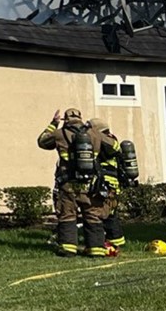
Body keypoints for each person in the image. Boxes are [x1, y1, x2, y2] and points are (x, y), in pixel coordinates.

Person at [37, 108, 119, 257]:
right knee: (93, 215)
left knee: (67, 215)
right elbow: (114, 147)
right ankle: (96, 250)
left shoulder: (60, 134)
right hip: (90, 185)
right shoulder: (94, 133)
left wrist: (53, 124)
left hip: (68, 185)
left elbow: (42, 141)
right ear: (81, 118)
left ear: (65, 119)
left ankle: (68, 249)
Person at [89, 118, 126, 249]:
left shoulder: (106, 142)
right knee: (110, 215)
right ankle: (116, 243)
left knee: (102, 214)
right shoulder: (110, 140)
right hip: (112, 186)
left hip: (106, 185)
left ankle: (107, 245)